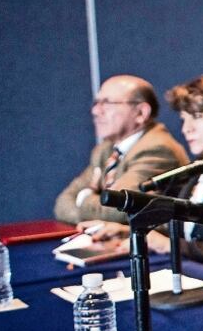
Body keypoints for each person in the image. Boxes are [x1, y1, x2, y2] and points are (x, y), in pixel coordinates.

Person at [78, 74, 203, 265]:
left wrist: (167, 244)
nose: (186, 129)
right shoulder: (197, 170)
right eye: (184, 119)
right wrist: (129, 230)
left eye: (197, 117)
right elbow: (181, 229)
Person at [55, 75, 189, 224]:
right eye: (96, 103)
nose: (96, 111)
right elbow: (62, 203)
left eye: (107, 103)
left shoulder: (158, 149)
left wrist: (84, 197)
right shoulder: (105, 150)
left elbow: (119, 209)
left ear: (141, 113)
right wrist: (92, 214)